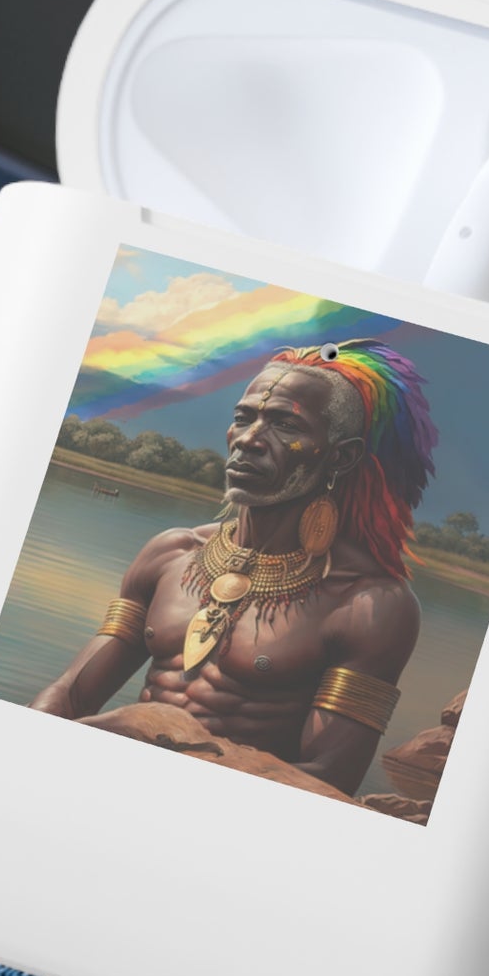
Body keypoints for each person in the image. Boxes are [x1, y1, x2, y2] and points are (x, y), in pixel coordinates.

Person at [32, 340, 434, 796]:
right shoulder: (170, 553)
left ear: (340, 456)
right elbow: (71, 694)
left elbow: (328, 779)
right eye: (244, 418)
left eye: (284, 424)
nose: (249, 439)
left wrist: (143, 729)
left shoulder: (371, 604)